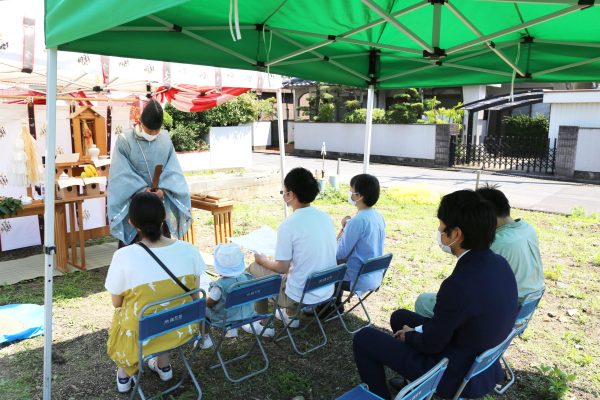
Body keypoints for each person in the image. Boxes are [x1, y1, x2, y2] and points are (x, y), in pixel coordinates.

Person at [352, 190, 518, 400]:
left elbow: (432, 344)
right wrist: (414, 331)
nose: (439, 230)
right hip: (478, 360)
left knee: (364, 338)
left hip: (453, 373)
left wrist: (409, 335)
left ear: (456, 234)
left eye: (441, 226)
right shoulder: (499, 263)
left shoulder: (459, 285)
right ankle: (412, 384)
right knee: (399, 317)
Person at [105, 192, 205, 393]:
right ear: (164, 217)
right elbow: (195, 293)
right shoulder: (189, 250)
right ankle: (163, 365)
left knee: (126, 315)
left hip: (143, 332)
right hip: (182, 327)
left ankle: (124, 375)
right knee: (167, 307)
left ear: (132, 223)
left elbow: (116, 303)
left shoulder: (123, 256)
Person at [415, 186, 544, 317]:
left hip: (506, 308)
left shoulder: (495, 244)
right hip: (529, 301)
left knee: (424, 302)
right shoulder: (526, 228)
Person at [247, 167, 337, 332]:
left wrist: (262, 260)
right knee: (292, 272)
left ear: (292, 195)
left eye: (284, 191)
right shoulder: (325, 218)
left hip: (300, 295)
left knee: (253, 269)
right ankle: (291, 316)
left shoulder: (289, 225)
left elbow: (282, 267)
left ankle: (262, 323)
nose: (283, 195)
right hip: (325, 289)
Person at [108, 99, 191, 246]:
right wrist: (142, 190)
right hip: (135, 205)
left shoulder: (165, 140)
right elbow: (120, 174)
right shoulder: (125, 140)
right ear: (140, 122)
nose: (153, 133)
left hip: (158, 205)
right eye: (149, 129)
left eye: (156, 130)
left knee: (161, 250)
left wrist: (163, 190)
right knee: (134, 252)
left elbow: (173, 171)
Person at [335, 173, 385, 304]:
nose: (350, 194)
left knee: (324, 268)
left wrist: (342, 231)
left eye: (352, 191)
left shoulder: (357, 221)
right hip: (375, 274)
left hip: (356, 277)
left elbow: (339, 254)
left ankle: (326, 307)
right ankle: (333, 306)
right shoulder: (378, 216)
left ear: (359, 196)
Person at [206, 243, 264, 337]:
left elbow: (209, 303)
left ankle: (205, 338)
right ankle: (232, 329)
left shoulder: (219, 286)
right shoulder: (247, 278)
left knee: (202, 310)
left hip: (225, 319)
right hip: (247, 314)